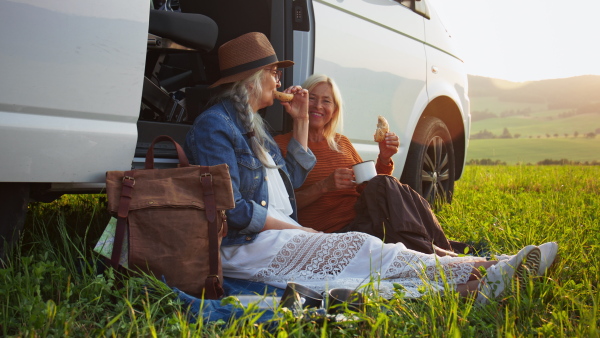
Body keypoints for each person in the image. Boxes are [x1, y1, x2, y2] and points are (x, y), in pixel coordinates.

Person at [184, 32, 556, 302]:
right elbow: (230, 208)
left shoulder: (255, 127)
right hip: (249, 244)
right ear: (253, 79)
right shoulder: (215, 125)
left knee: (367, 257)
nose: (280, 82)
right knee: (366, 253)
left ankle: (486, 274)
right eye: (274, 74)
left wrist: (298, 120)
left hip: (281, 234)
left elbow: (286, 183)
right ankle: (488, 271)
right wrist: (301, 227)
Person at [274, 74, 463, 256]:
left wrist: (384, 158)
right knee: (388, 199)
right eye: (312, 98)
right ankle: (437, 251)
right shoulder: (281, 146)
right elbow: (280, 206)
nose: (317, 106)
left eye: (326, 101)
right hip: (333, 233)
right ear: (300, 102)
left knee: (391, 188)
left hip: (365, 221)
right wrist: (323, 186)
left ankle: (436, 248)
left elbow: (369, 185)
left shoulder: (342, 143)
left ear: (335, 110)